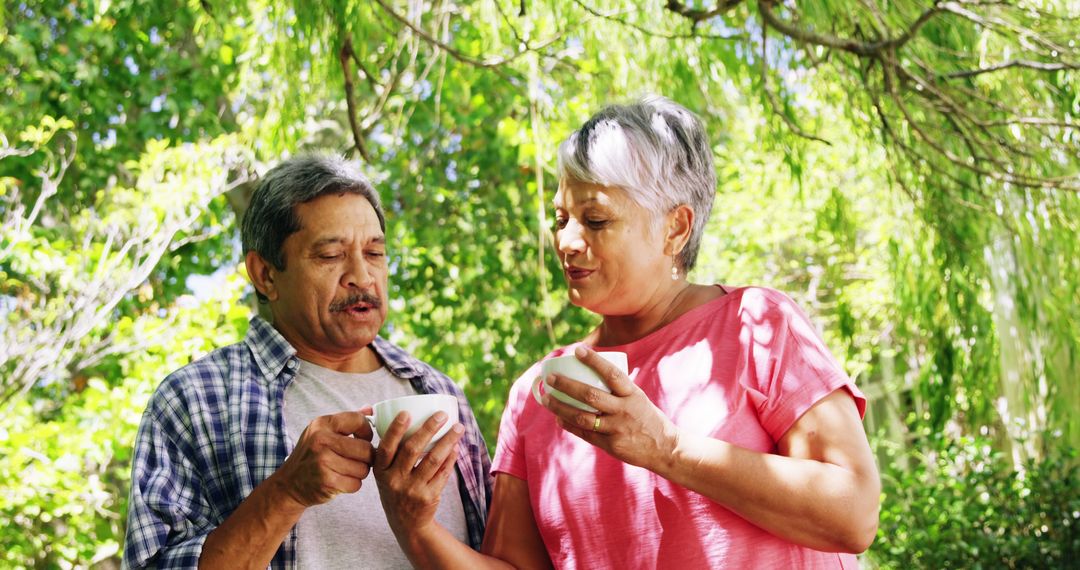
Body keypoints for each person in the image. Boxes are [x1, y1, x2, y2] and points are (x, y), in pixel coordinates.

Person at [373, 96, 880, 568]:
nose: (567, 241)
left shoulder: (757, 324)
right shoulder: (538, 392)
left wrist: (666, 447)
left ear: (675, 228)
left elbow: (853, 514)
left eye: (595, 219)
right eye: (561, 217)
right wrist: (416, 528)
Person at [122, 155, 492, 569]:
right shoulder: (194, 401)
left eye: (374, 253)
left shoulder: (439, 393)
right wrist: (286, 492)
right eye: (331, 255)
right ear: (264, 274)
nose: (362, 276)